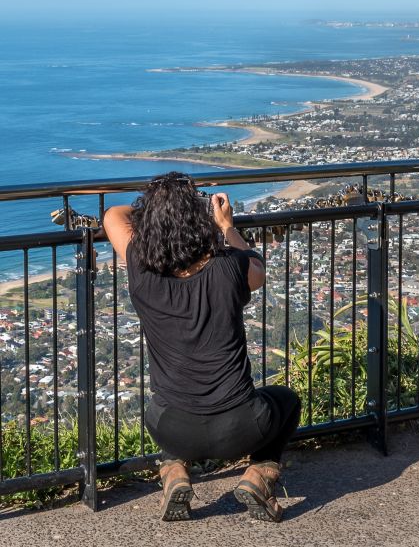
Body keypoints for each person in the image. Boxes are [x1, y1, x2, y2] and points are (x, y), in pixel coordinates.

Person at [103, 172, 301, 522]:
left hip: (171, 429)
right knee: (286, 400)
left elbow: (113, 216)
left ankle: (175, 470)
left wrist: (159, 208)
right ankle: (258, 476)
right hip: (242, 427)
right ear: (198, 220)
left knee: (166, 402)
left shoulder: (141, 268)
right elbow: (258, 270)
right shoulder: (229, 268)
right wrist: (225, 226)